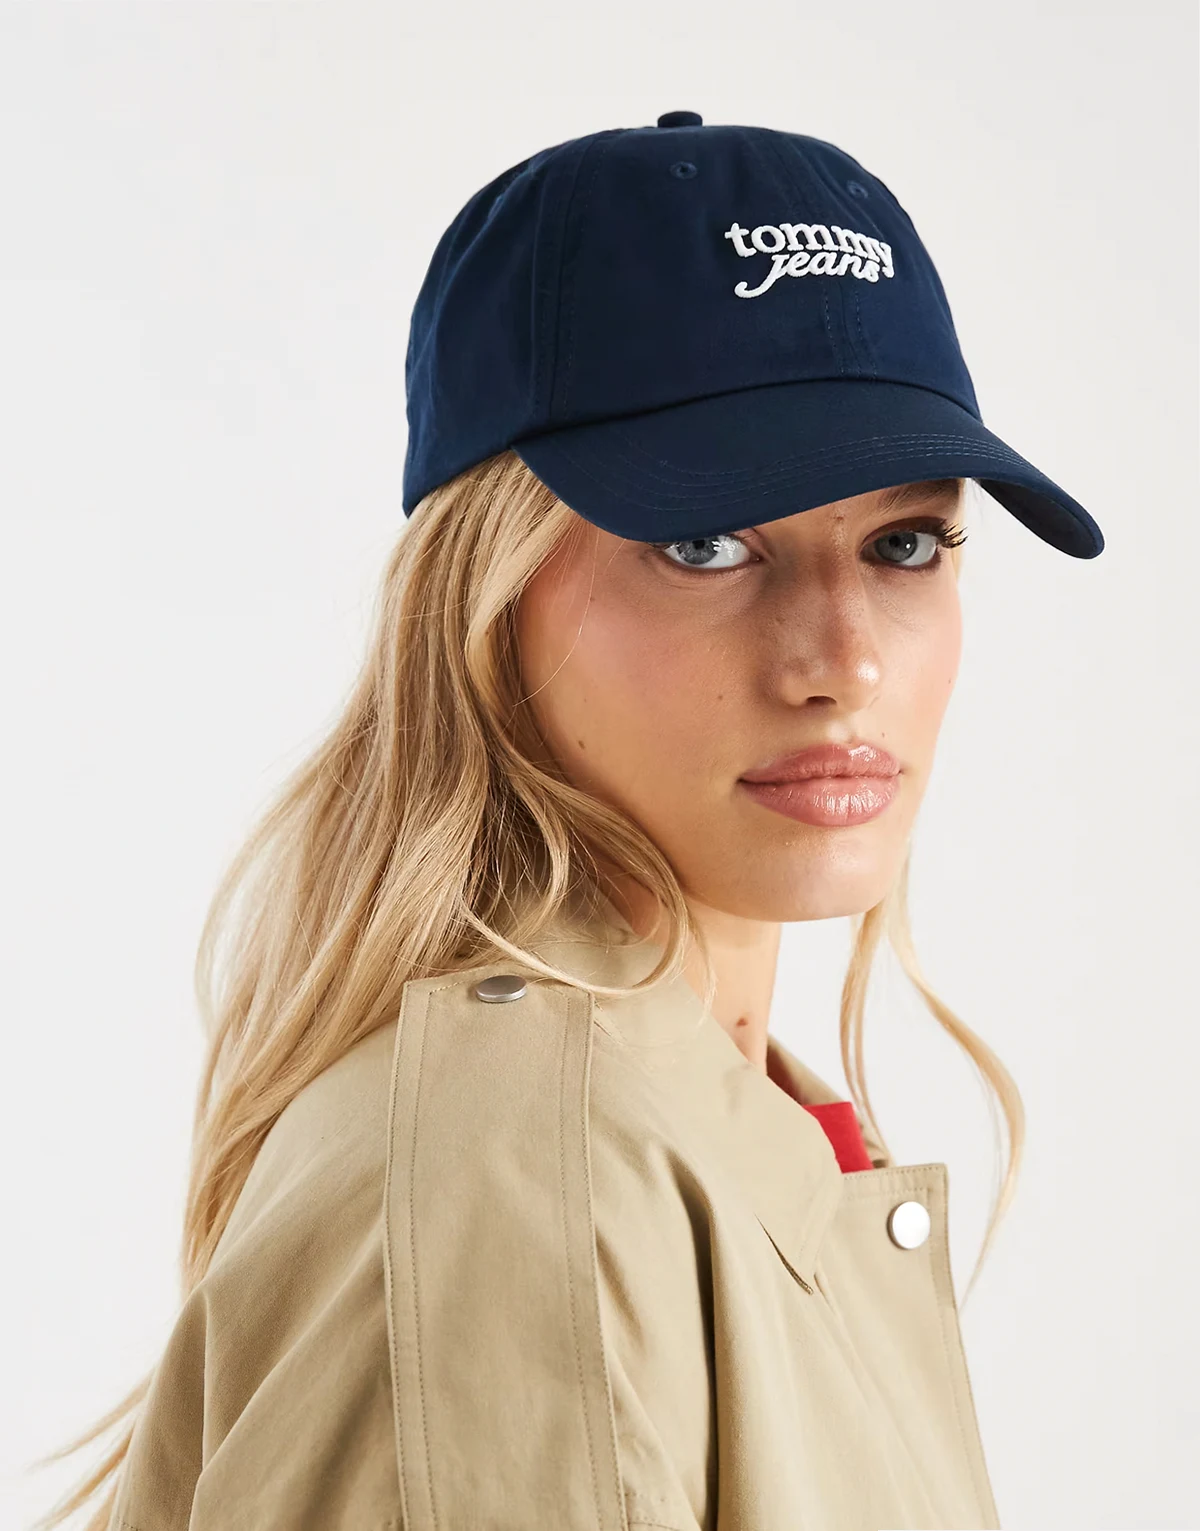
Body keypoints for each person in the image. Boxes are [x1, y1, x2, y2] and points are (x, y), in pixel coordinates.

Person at [36, 111, 1103, 1531]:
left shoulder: (713, 1120)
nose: (843, 660)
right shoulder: (530, 1188)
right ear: (478, 604)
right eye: (706, 543)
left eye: (904, 543)